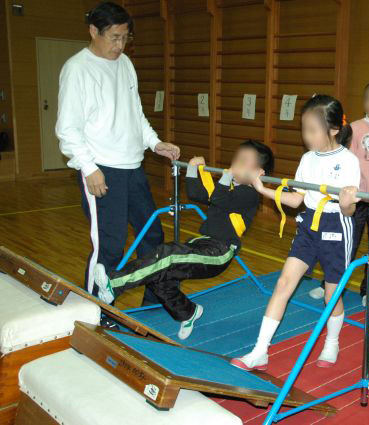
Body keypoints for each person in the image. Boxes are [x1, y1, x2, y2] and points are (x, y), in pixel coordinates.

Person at [56, 2, 180, 304]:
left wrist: (154, 142)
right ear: (93, 31)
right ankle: (96, 310)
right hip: (101, 169)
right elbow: (67, 129)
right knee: (110, 247)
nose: (120, 45)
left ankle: (154, 301)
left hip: (133, 168)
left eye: (125, 38)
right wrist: (89, 168)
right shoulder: (77, 69)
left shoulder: (125, 64)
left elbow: (134, 113)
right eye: (114, 37)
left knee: (152, 236)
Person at [93, 140, 274, 340]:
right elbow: (198, 194)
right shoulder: (229, 186)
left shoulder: (250, 194)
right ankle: (188, 312)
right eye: (237, 158)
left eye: (245, 161)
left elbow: (219, 199)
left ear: (259, 172)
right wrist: (192, 169)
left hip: (219, 252)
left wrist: (226, 175)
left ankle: (114, 284)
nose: (237, 163)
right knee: (159, 277)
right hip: (203, 243)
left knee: (167, 255)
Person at [231, 95, 360, 371]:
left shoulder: (348, 161)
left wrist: (347, 202)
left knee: (331, 295)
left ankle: (332, 342)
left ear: (334, 129)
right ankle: (260, 351)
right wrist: (262, 189)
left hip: (337, 226)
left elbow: (349, 212)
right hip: (309, 225)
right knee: (283, 283)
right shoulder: (307, 159)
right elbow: (296, 200)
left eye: (313, 130)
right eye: (305, 129)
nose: (307, 136)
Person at [309, 80, 369, 307]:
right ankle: (330, 284)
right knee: (345, 245)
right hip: (357, 199)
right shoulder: (355, 128)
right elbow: (340, 156)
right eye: (368, 98)